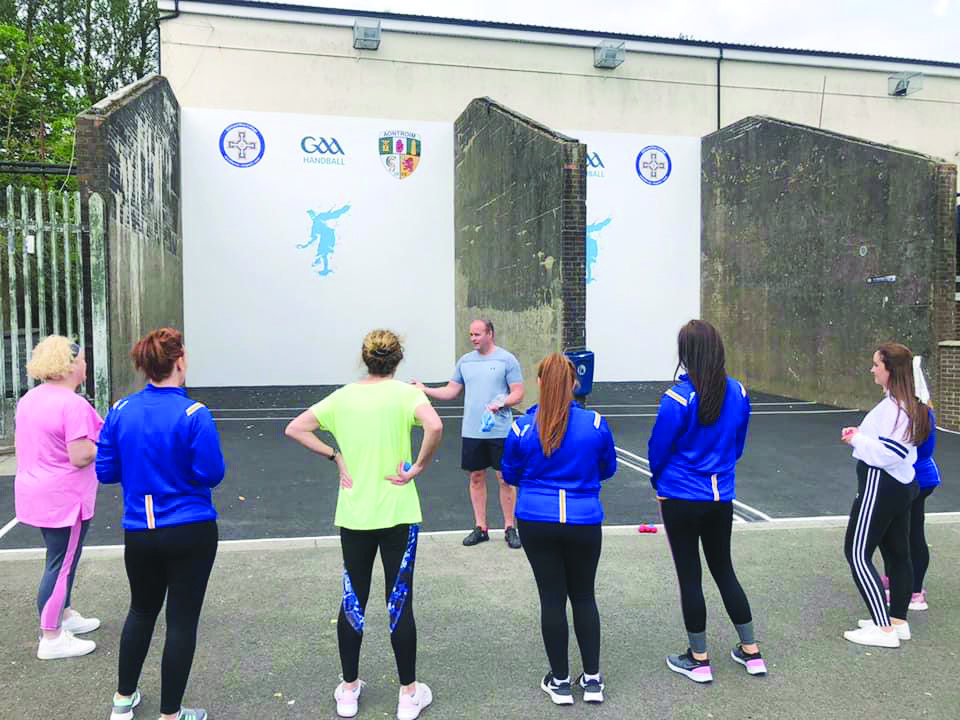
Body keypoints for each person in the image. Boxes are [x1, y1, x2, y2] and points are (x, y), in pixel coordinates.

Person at [286, 329, 443, 720]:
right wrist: (418, 467)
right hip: (398, 512)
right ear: (397, 359)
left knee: (353, 598)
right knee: (399, 600)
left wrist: (335, 455)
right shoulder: (408, 395)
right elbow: (435, 426)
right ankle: (408, 694)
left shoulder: (343, 397)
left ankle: (349, 690)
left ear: (365, 358)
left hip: (356, 514)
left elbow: (296, 427)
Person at [97, 328, 225, 720]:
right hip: (191, 530)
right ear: (179, 362)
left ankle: (123, 700)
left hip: (139, 530)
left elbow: (106, 471)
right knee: (181, 622)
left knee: (140, 611)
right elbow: (211, 474)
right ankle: (170, 714)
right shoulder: (194, 414)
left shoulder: (120, 410)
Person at [648, 319, 766, 683]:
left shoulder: (677, 398)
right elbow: (738, 444)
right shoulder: (738, 392)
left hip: (680, 496)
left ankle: (699, 658)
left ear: (686, 353)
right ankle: (751, 650)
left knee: (690, 577)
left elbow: (658, 450)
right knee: (724, 569)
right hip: (720, 496)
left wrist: (659, 481)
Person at [501, 353, 616, 705]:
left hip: (537, 520)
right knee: (583, 596)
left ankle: (561, 681)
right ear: (574, 383)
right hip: (583, 520)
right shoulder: (595, 423)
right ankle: (592, 680)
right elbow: (607, 468)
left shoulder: (522, 427)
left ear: (540, 383)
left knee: (552, 598)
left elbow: (510, 474)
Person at [14, 336, 103, 660]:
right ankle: (51, 636)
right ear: (70, 366)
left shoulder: (30, 399)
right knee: (61, 563)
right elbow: (81, 455)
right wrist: (108, 447)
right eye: (82, 360)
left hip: (36, 491)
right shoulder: (73, 404)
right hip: (65, 498)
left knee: (61, 558)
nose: (85, 365)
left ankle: (63, 614)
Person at [840, 342, 929, 648]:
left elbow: (890, 454)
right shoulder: (906, 402)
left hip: (881, 485)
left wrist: (857, 439)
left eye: (877, 365)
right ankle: (897, 622)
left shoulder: (896, 408)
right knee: (897, 553)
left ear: (890, 370)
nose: (872, 369)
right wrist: (862, 436)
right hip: (900, 485)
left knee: (856, 553)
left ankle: (883, 628)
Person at [413, 319, 524, 548]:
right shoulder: (465, 361)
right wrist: (425, 389)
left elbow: (518, 393)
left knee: (505, 478)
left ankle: (509, 527)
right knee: (476, 477)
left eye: (477, 334)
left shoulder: (507, 360)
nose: (473, 338)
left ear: (490, 334)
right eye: (471, 334)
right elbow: (451, 391)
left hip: (500, 431)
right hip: (473, 431)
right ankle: (480, 527)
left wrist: (501, 403)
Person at [878, 359, 939, 612]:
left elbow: (915, 451)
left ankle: (912, 590)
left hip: (913, 480)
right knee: (905, 533)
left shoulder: (914, 411)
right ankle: (902, 583)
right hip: (918, 479)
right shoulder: (919, 408)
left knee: (904, 535)